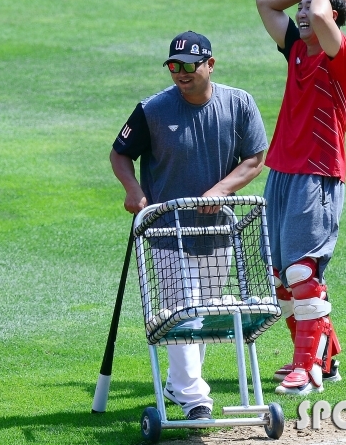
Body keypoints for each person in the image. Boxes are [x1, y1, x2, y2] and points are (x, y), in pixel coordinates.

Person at [110, 31, 268, 420]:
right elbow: (119, 154)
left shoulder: (239, 103)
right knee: (183, 311)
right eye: (173, 66)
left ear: (210, 65)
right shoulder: (152, 110)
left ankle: (177, 384)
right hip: (167, 232)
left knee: (202, 314)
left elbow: (255, 158)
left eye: (188, 66)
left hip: (217, 233)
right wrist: (133, 190)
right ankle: (195, 399)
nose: (180, 73)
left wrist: (219, 191)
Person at [255, 0, 346, 395]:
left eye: (308, 7)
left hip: (317, 174)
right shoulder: (297, 49)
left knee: (303, 271)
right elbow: (264, 2)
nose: (302, 13)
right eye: (299, 7)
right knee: (282, 279)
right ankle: (325, 359)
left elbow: (319, 16)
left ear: (332, 15)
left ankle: (308, 370)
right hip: (281, 172)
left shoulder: (344, 57)